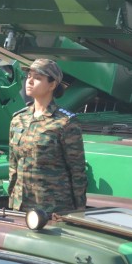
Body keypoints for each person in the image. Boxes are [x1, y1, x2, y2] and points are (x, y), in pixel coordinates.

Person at [7, 58, 86, 214]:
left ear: (52, 85)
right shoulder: (18, 119)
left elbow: (77, 171)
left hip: (53, 208)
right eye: (29, 76)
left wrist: (79, 210)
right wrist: (11, 198)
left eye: (38, 78)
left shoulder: (65, 123)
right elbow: (13, 166)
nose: (30, 81)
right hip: (21, 205)